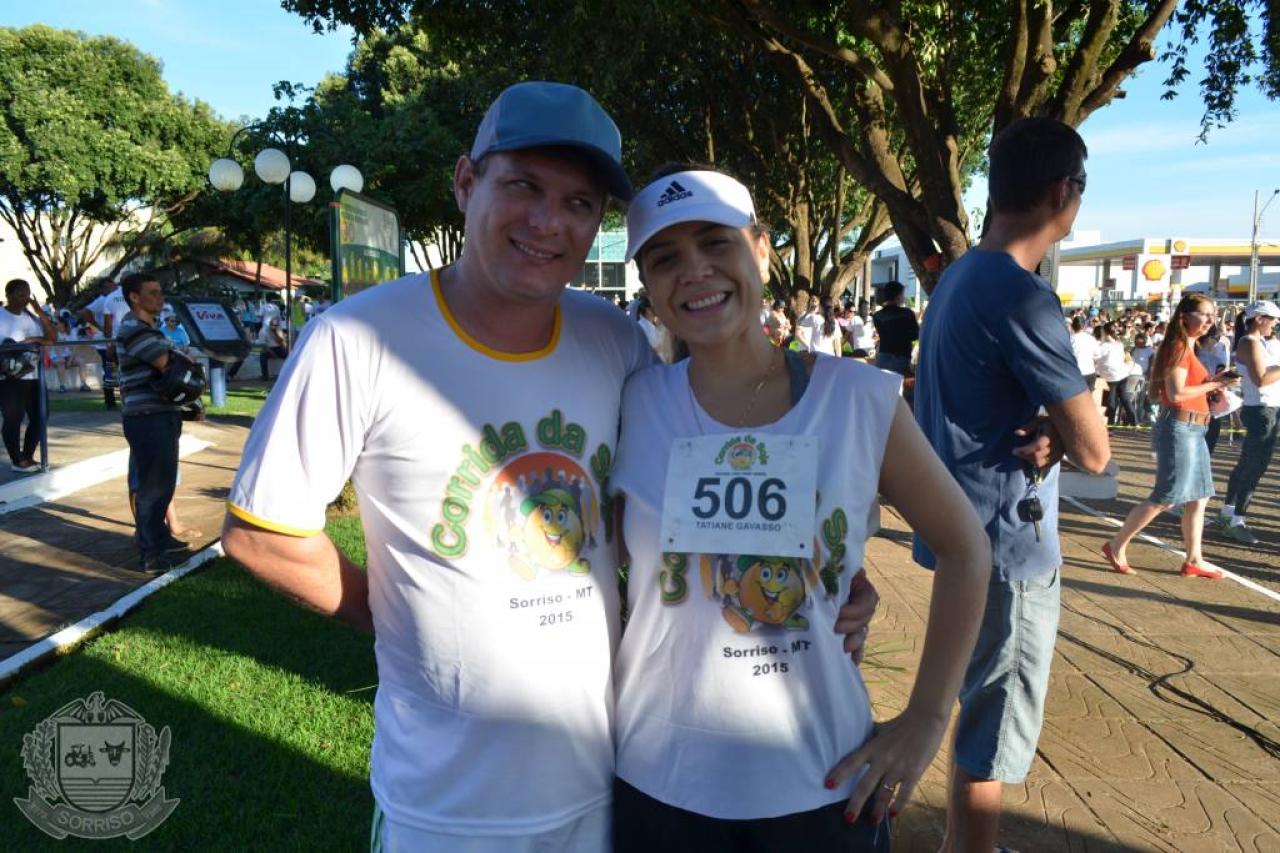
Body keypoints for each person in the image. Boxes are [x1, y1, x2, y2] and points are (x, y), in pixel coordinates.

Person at [220, 81, 882, 853]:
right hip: (447, 805)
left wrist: (828, 568)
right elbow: (261, 532)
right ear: (466, 182)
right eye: (523, 186)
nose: (548, 222)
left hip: (605, 780)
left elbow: (690, 489)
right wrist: (395, 614)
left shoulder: (615, 341)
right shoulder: (357, 339)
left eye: (578, 203)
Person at [612, 167, 990, 850]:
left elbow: (966, 548)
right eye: (665, 258)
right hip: (659, 785)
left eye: (715, 243)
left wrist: (928, 718)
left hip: (824, 785)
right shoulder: (632, 402)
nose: (693, 271)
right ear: (648, 285)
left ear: (761, 251)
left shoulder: (857, 399)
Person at [912, 117, 1111, 852]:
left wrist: (1052, 426)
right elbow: (1096, 451)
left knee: (976, 703)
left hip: (960, 532)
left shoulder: (962, 276)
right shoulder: (1020, 293)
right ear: (1062, 193)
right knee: (995, 723)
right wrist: (1064, 427)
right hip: (1007, 546)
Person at [1102, 294, 1239, 580]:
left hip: (1193, 427)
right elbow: (1176, 394)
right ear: (1184, 316)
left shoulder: (1188, 346)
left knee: (1199, 496)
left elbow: (1183, 390)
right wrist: (1213, 384)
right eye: (1205, 314)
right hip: (1181, 427)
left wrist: (1214, 385)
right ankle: (1116, 545)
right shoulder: (1178, 347)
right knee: (1167, 496)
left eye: (1212, 315)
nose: (1210, 320)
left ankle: (1194, 559)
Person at [116, 272, 187, 573]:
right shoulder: (134, 329)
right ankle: (151, 553)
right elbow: (168, 364)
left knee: (163, 483)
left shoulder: (150, 329)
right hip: (147, 417)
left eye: (160, 292)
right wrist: (183, 361)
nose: (160, 298)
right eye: (153, 293)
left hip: (160, 412)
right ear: (134, 297)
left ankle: (160, 539)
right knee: (152, 487)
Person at [1217, 300, 1280, 544]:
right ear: (1260, 318)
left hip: (1264, 409)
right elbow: (1261, 379)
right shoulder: (1250, 342)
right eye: (1273, 319)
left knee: (1247, 464)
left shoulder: (1258, 341)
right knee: (1254, 467)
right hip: (1262, 410)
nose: (1275, 324)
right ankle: (1236, 520)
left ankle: (1228, 514)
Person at [0, 279, 56, 472]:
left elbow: (52, 338)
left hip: (34, 374)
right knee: (13, 418)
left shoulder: (30, 316)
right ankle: (17, 460)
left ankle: (27, 456)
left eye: (27, 293)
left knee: (41, 416)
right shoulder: (2, 316)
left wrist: (39, 312)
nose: (25, 297)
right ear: (9, 295)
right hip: (10, 377)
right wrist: (26, 343)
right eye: (20, 293)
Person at [80, 278, 129, 410]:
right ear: (103, 289)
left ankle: (117, 400)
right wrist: (98, 326)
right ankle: (111, 401)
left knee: (116, 370)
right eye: (106, 287)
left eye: (111, 286)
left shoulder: (117, 295)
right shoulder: (103, 300)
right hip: (107, 342)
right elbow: (85, 312)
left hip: (114, 339)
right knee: (110, 370)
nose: (110, 289)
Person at [871, 281, 918, 376]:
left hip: (882, 358)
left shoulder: (877, 316)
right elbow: (915, 334)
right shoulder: (907, 313)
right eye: (903, 294)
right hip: (901, 360)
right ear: (898, 296)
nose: (904, 297)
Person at [1069, 315, 1099, 392]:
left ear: (1072, 326)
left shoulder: (1069, 340)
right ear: (1084, 326)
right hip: (1090, 372)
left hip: (1075, 373)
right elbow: (1097, 355)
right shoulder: (1091, 339)